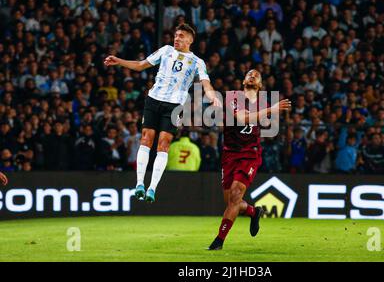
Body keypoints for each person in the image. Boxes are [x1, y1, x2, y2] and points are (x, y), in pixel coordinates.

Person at [104, 23, 221, 203]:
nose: (177, 38)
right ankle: (140, 184)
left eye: (181, 36)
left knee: (163, 144)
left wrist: (213, 97)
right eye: (175, 35)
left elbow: (206, 83)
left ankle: (152, 188)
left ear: (190, 40)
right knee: (146, 139)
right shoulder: (165, 50)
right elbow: (141, 65)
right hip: (154, 99)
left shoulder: (198, 62)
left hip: (174, 105)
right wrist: (119, 61)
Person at [208, 69, 291, 250]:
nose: (252, 75)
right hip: (230, 154)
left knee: (236, 196)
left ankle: (218, 241)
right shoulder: (232, 97)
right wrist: (270, 110)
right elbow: (241, 118)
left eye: (257, 75)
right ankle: (254, 212)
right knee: (231, 201)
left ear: (260, 85)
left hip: (250, 154)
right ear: (243, 81)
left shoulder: (264, 103)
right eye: (249, 74)